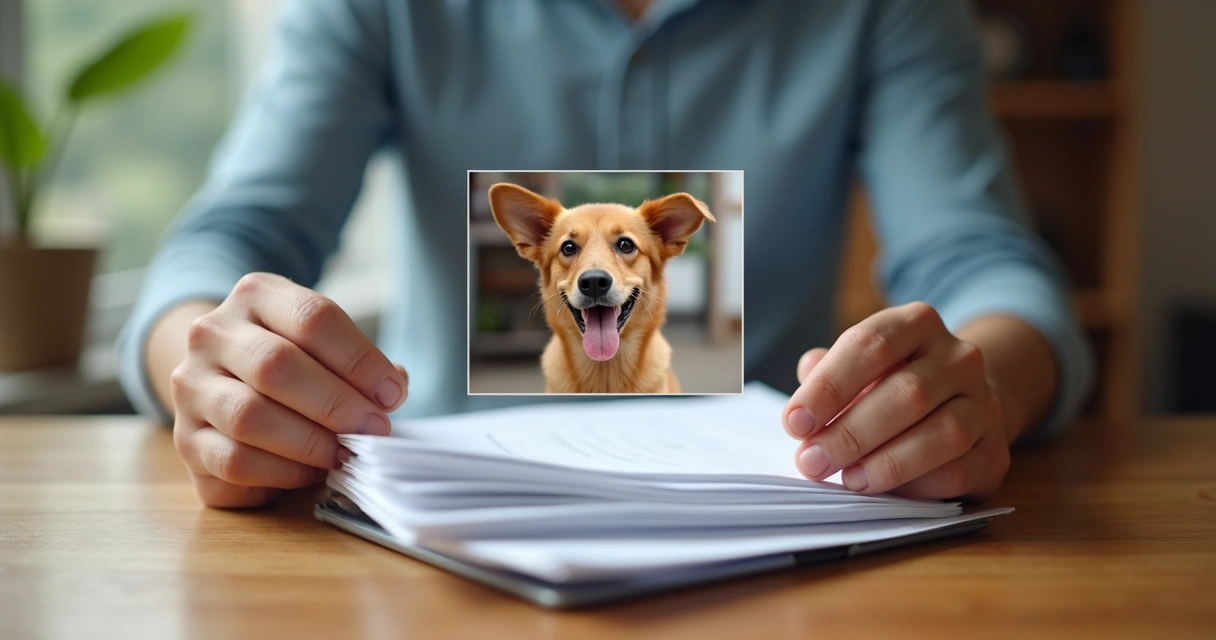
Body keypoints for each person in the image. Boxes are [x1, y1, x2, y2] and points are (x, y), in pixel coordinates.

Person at [118, 0, 1092, 509]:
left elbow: (979, 259)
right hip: (431, 524)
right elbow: (230, 239)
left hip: (778, 522)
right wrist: (208, 367)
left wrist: (981, 390)